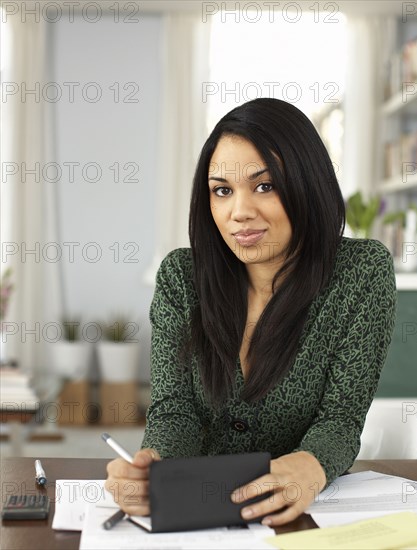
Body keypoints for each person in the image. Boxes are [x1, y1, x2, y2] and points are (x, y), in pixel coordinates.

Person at [105, 98, 397, 527]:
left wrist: (312, 464)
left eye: (265, 186)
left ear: (307, 183)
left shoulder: (361, 272)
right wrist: (155, 465)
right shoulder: (181, 278)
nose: (239, 212)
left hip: (304, 514)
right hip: (203, 516)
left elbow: (340, 418)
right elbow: (174, 412)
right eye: (222, 190)